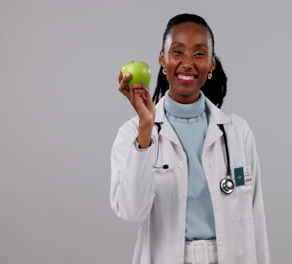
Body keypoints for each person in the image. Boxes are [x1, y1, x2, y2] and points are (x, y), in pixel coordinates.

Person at [110, 13, 271, 264]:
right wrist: (146, 128)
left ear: (211, 64)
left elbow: (256, 221)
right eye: (177, 52)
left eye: (199, 53)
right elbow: (132, 211)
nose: (188, 63)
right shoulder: (133, 133)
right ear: (162, 59)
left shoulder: (237, 132)